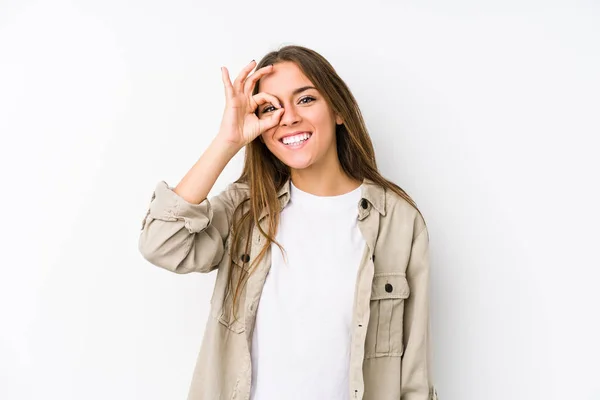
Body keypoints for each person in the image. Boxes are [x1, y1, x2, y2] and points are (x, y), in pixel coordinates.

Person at [139, 45, 438, 400]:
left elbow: (413, 371)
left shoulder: (398, 221)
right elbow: (161, 242)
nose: (289, 117)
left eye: (306, 99)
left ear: (338, 110)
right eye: (270, 108)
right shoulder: (247, 209)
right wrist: (227, 141)